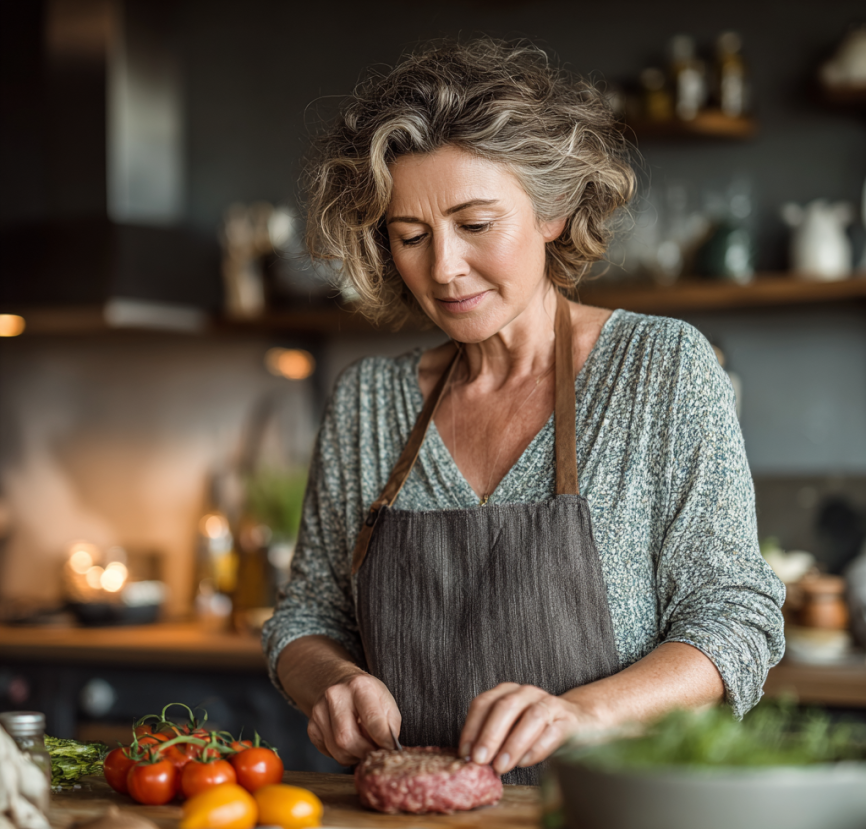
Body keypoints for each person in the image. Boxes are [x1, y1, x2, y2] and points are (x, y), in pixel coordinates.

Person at [262, 38, 785, 785]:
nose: (442, 268)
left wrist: (585, 714)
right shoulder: (368, 403)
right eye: (410, 237)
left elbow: (737, 619)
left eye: (475, 225)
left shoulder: (660, 369)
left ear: (553, 212)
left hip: (607, 824)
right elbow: (307, 616)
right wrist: (332, 683)